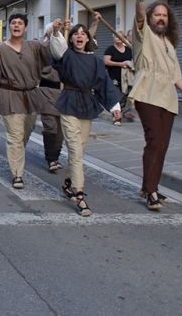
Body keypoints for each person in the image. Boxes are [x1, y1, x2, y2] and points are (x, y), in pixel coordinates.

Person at [130, 0, 182, 210]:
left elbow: (176, 76)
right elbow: (139, 13)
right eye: (157, 14)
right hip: (148, 93)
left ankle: (150, 187)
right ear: (150, 17)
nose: (161, 18)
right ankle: (150, 191)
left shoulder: (169, 43)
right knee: (154, 140)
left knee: (163, 144)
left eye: (164, 15)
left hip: (168, 98)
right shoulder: (144, 36)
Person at [49, 20, 122, 216]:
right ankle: (80, 195)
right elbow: (56, 48)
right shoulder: (67, 55)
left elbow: (104, 84)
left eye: (83, 33)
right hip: (69, 103)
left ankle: (68, 182)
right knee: (74, 147)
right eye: (75, 33)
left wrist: (115, 106)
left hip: (87, 104)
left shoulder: (96, 61)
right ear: (71, 38)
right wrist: (55, 31)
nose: (80, 36)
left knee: (79, 149)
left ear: (88, 38)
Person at [0, 13, 51, 189]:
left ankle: (17, 155)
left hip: (30, 95)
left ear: (25, 28)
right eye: (13, 23)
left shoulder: (34, 46)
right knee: (15, 136)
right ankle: (17, 174)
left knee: (25, 133)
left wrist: (54, 33)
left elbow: (50, 52)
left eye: (20, 23)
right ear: (9, 27)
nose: (16, 25)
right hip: (9, 95)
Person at [104, 32, 134, 125]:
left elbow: (134, 61)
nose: (118, 38)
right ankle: (117, 115)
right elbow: (106, 61)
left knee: (125, 95)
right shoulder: (110, 49)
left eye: (120, 36)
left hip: (126, 77)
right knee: (116, 95)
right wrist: (119, 64)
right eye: (116, 36)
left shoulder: (129, 49)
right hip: (114, 76)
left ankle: (123, 112)